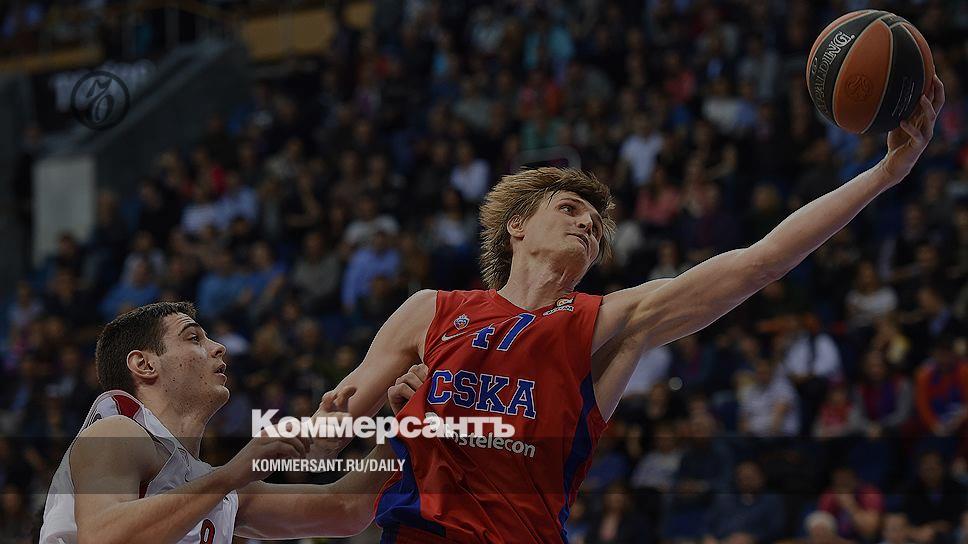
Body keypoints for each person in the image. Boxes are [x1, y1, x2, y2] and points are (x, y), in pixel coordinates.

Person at [327, 78, 945, 542]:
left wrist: (884, 174)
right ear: (517, 226)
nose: (587, 225)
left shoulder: (602, 322)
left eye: (596, 226)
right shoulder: (432, 310)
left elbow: (759, 262)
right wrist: (271, 462)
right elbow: (330, 430)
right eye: (569, 209)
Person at [39, 301, 424, 543]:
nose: (218, 347)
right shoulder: (117, 429)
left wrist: (402, 427)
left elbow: (345, 510)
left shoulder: (213, 488)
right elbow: (102, 538)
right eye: (194, 338)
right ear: (144, 364)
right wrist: (231, 474)